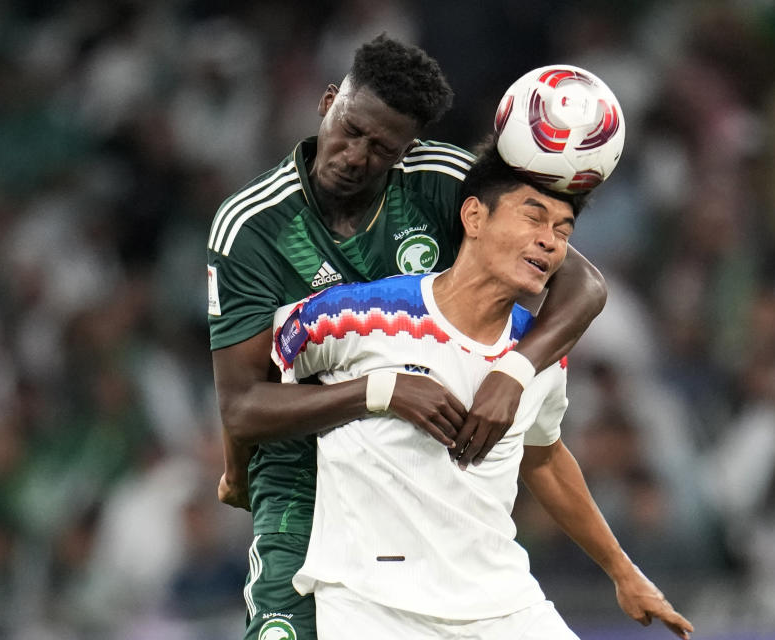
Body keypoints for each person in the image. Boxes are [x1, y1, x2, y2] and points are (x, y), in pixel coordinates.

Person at [207, 35, 608, 639]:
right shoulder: (254, 227)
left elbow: (584, 285)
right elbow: (242, 406)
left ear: (406, 151)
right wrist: (383, 391)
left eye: (380, 148)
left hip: (419, 477)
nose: (353, 155)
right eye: (350, 129)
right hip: (302, 474)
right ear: (327, 103)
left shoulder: (441, 182)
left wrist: (515, 371)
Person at [261, 142, 694, 639]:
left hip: (502, 603)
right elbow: (252, 395)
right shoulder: (353, 317)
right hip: (372, 605)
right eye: (534, 218)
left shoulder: (540, 355)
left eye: (563, 230)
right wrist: (237, 468)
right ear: (473, 216)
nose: (550, 242)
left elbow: (544, 457)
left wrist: (622, 570)